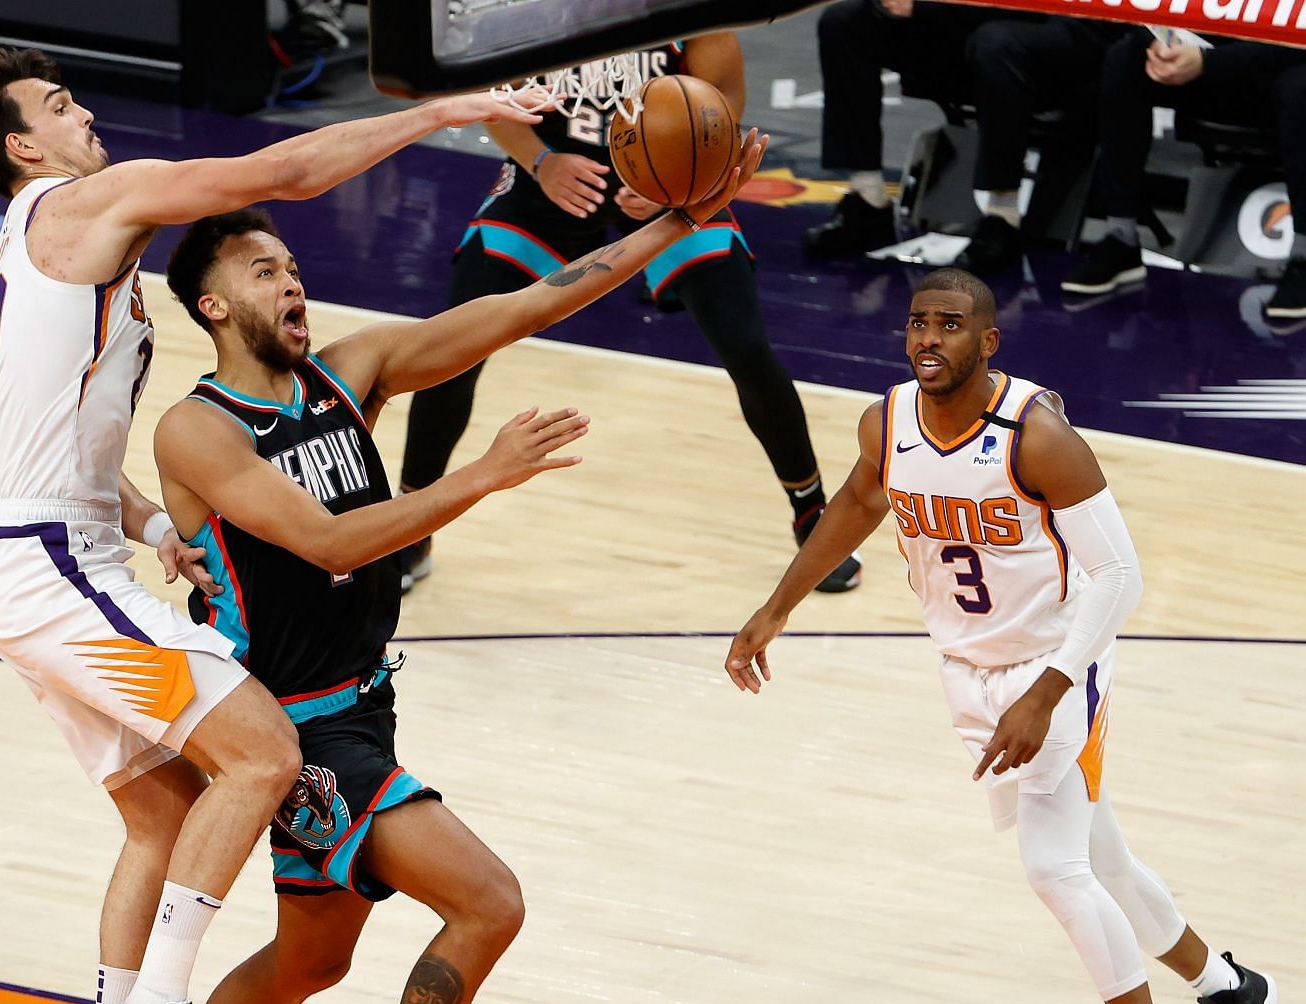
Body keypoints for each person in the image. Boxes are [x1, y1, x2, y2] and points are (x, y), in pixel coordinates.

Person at [132, 137, 767, 1004]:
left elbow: (535, 301)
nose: (290, 282)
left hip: (363, 703)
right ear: (210, 304)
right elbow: (326, 537)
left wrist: (681, 219)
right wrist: (478, 475)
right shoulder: (199, 428)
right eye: (263, 269)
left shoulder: (349, 372)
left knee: (312, 958)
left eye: (291, 266)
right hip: (291, 726)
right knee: (489, 900)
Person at [0, 48, 546, 1004]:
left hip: (47, 550)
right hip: (54, 567)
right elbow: (283, 167)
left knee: (165, 815)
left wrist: (130, 511)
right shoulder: (79, 207)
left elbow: (31, 432)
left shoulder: (37, 265)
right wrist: (452, 109)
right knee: (263, 754)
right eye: (59, 108)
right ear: (24, 148)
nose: (84, 115)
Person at [724, 268, 1276, 1004]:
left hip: (1062, 666)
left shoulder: (1038, 436)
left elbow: (1120, 577)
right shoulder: (889, 422)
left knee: (1055, 868)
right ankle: (1228, 988)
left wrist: (1049, 689)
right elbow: (861, 500)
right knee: (1102, 860)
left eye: (950, 324)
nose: (928, 339)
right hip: (975, 672)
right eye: (916, 324)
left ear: (989, 342)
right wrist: (778, 604)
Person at [400, 36, 861, 595]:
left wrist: (688, 175)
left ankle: (812, 514)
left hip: (673, 185)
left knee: (743, 344)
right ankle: (410, 522)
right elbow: (492, 95)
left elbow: (724, 93)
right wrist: (542, 162)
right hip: (552, 174)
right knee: (455, 343)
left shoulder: (691, 18)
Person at [805, 0, 1112, 275]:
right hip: (966, 24)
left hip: (1063, 25)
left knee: (997, 42)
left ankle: (1002, 217)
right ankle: (868, 197)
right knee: (844, 21)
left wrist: (927, 7)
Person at [1062, 29, 1306, 318]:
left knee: (1300, 86)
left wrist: (1209, 60)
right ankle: (1121, 237)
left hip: (1276, 67)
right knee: (1125, 56)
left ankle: (1303, 257)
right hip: (1201, 61)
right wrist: (1160, 41)